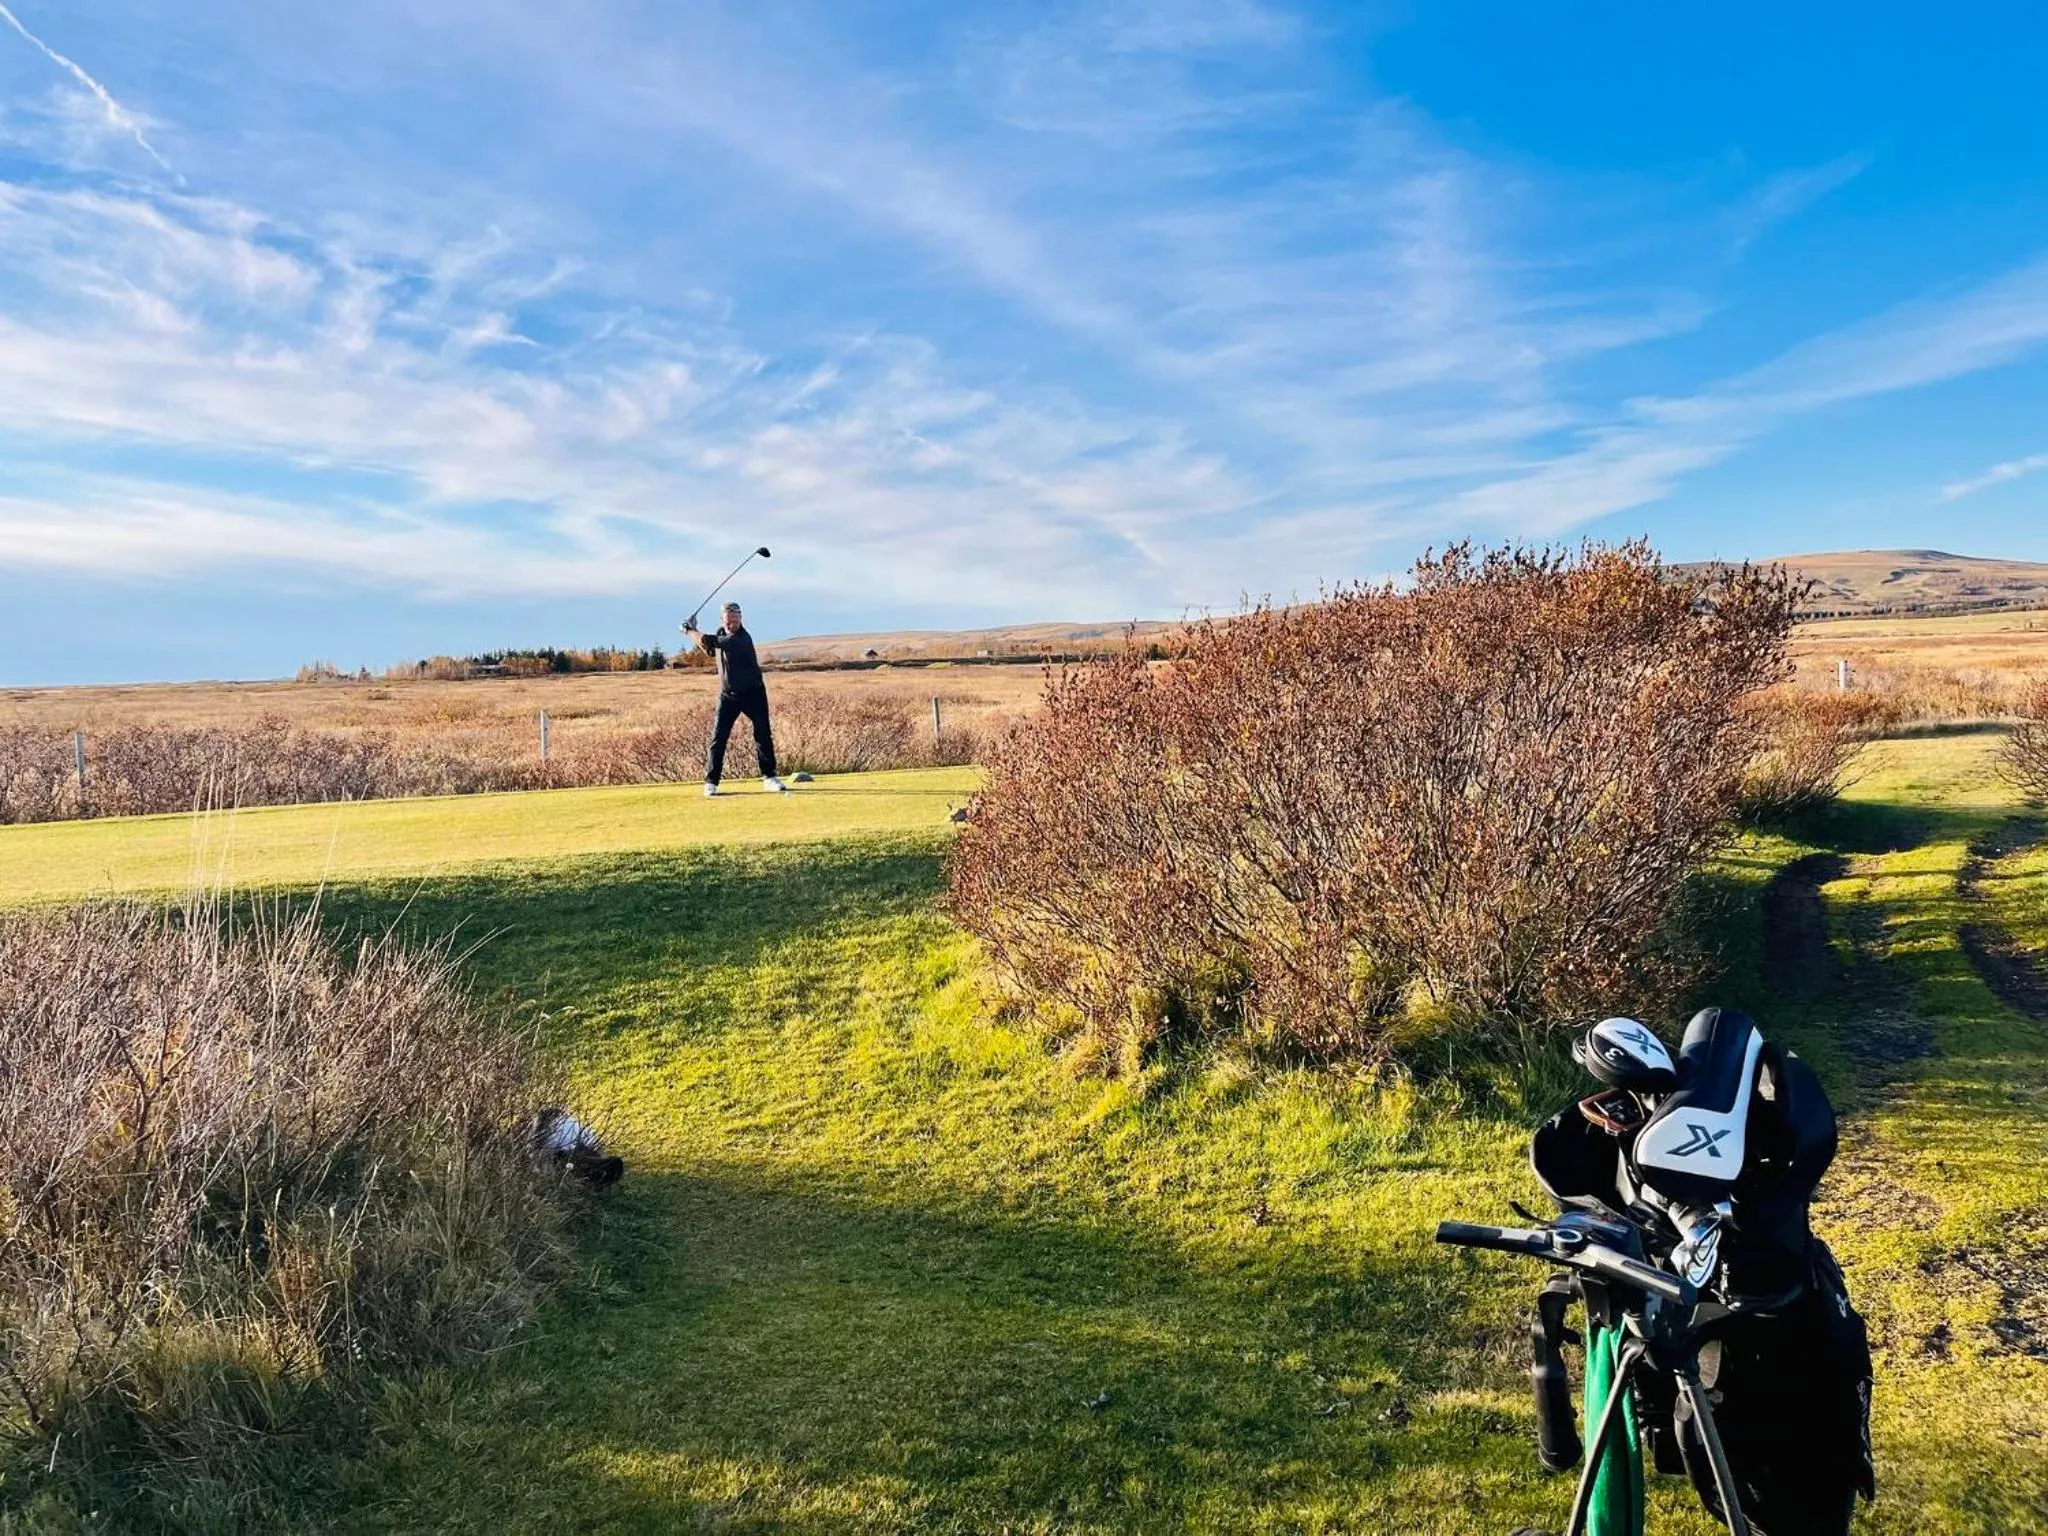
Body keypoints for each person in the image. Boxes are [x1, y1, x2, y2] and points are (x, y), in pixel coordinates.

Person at [684, 600, 788, 796]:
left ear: (741, 619)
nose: (732, 624)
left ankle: (769, 777)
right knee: (718, 738)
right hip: (728, 695)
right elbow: (707, 648)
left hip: (753, 693)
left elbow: (708, 641)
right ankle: (711, 782)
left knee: (762, 734)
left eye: (735, 620)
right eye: (728, 620)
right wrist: (694, 630)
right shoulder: (722, 633)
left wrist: (690, 630)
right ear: (722, 620)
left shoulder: (741, 639)